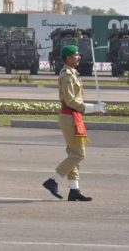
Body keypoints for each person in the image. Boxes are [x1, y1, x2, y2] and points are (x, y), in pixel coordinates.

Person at [42, 45, 106, 201]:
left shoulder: (73, 74)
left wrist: (92, 108)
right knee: (79, 154)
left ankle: (74, 190)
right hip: (69, 116)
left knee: (73, 154)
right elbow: (70, 101)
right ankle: (53, 180)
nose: (79, 57)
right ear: (68, 58)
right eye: (76, 55)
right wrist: (92, 108)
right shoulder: (67, 76)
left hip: (74, 116)